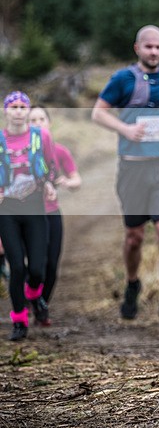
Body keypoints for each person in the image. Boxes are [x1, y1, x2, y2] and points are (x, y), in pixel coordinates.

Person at [91, 25, 159, 328]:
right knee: (134, 237)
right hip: (133, 167)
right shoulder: (123, 79)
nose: (154, 52)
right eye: (148, 47)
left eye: (158, 47)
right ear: (137, 48)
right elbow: (98, 112)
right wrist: (126, 130)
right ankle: (133, 283)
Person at [0, 91, 58, 340]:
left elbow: (50, 165)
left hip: (35, 206)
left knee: (37, 269)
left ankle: (34, 294)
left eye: (23, 106)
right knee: (17, 267)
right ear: (5, 111)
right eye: (13, 106)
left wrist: (48, 183)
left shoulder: (40, 136)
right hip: (8, 209)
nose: (18, 110)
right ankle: (19, 320)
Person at [29, 105, 81, 322]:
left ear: (49, 123)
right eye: (33, 120)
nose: (38, 123)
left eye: (42, 119)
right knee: (34, 264)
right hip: (26, 215)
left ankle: (42, 304)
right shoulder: (17, 152)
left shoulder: (59, 151)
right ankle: (29, 301)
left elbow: (77, 179)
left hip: (51, 212)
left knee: (51, 263)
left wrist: (68, 182)